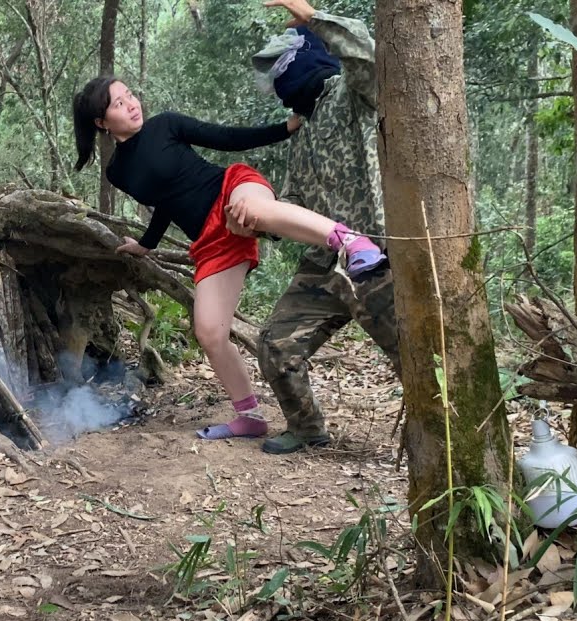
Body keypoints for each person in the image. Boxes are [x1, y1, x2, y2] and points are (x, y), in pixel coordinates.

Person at [71, 75, 386, 441]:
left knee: (252, 209)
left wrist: (286, 128)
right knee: (209, 332)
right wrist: (147, 244)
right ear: (101, 122)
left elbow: (228, 138)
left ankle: (349, 241)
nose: (131, 103)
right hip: (210, 239)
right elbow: (165, 202)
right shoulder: (117, 172)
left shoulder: (165, 125)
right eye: (118, 103)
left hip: (231, 188)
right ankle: (249, 416)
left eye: (130, 95)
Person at [241, 0, 404, 454]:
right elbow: (294, 201)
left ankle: (444, 449)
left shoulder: (353, 94)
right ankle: (307, 427)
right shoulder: (306, 126)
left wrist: (312, 16)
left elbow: (368, 58)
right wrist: (261, 215)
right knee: (276, 343)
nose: (279, 83)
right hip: (324, 261)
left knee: (416, 359)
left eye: (284, 69)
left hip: (380, 258)